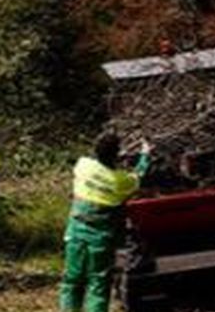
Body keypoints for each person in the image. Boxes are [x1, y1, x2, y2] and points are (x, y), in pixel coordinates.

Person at [59, 133, 151, 312]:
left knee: (71, 280)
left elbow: (94, 162)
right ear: (115, 155)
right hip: (99, 239)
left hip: (75, 233)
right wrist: (145, 156)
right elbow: (138, 176)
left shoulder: (83, 166)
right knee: (98, 283)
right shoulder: (120, 181)